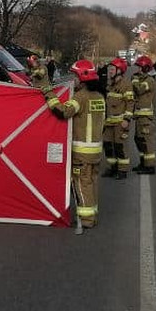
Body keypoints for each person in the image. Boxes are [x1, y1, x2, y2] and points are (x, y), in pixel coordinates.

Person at [41, 59, 106, 229]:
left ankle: (86, 219)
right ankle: (92, 213)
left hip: (82, 153)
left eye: (75, 76)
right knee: (91, 182)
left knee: (81, 183)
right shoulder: (99, 96)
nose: (73, 79)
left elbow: (63, 112)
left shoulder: (81, 97)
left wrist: (49, 93)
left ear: (82, 78)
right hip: (96, 152)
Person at [102, 57, 134, 180]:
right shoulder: (110, 84)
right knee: (108, 145)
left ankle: (122, 170)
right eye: (109, 69)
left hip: (120, 123)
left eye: (112, 69)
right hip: (109, 123)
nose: (109, 71)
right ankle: (112, 167)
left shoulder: (126, 85)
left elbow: (130, 103)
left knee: (120, 147)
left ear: (119, 70)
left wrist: (127, 119)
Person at [130, 55, 156, 175]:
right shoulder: (140, 79)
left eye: (140, 68)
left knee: (147, 141)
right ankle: (143, 163)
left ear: (145, 68)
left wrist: (135, 81)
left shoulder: (149, 81)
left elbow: (139, 90)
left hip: (145, 118)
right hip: (139, 117)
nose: (138, 70)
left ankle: (150, 166)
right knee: (139, 140)